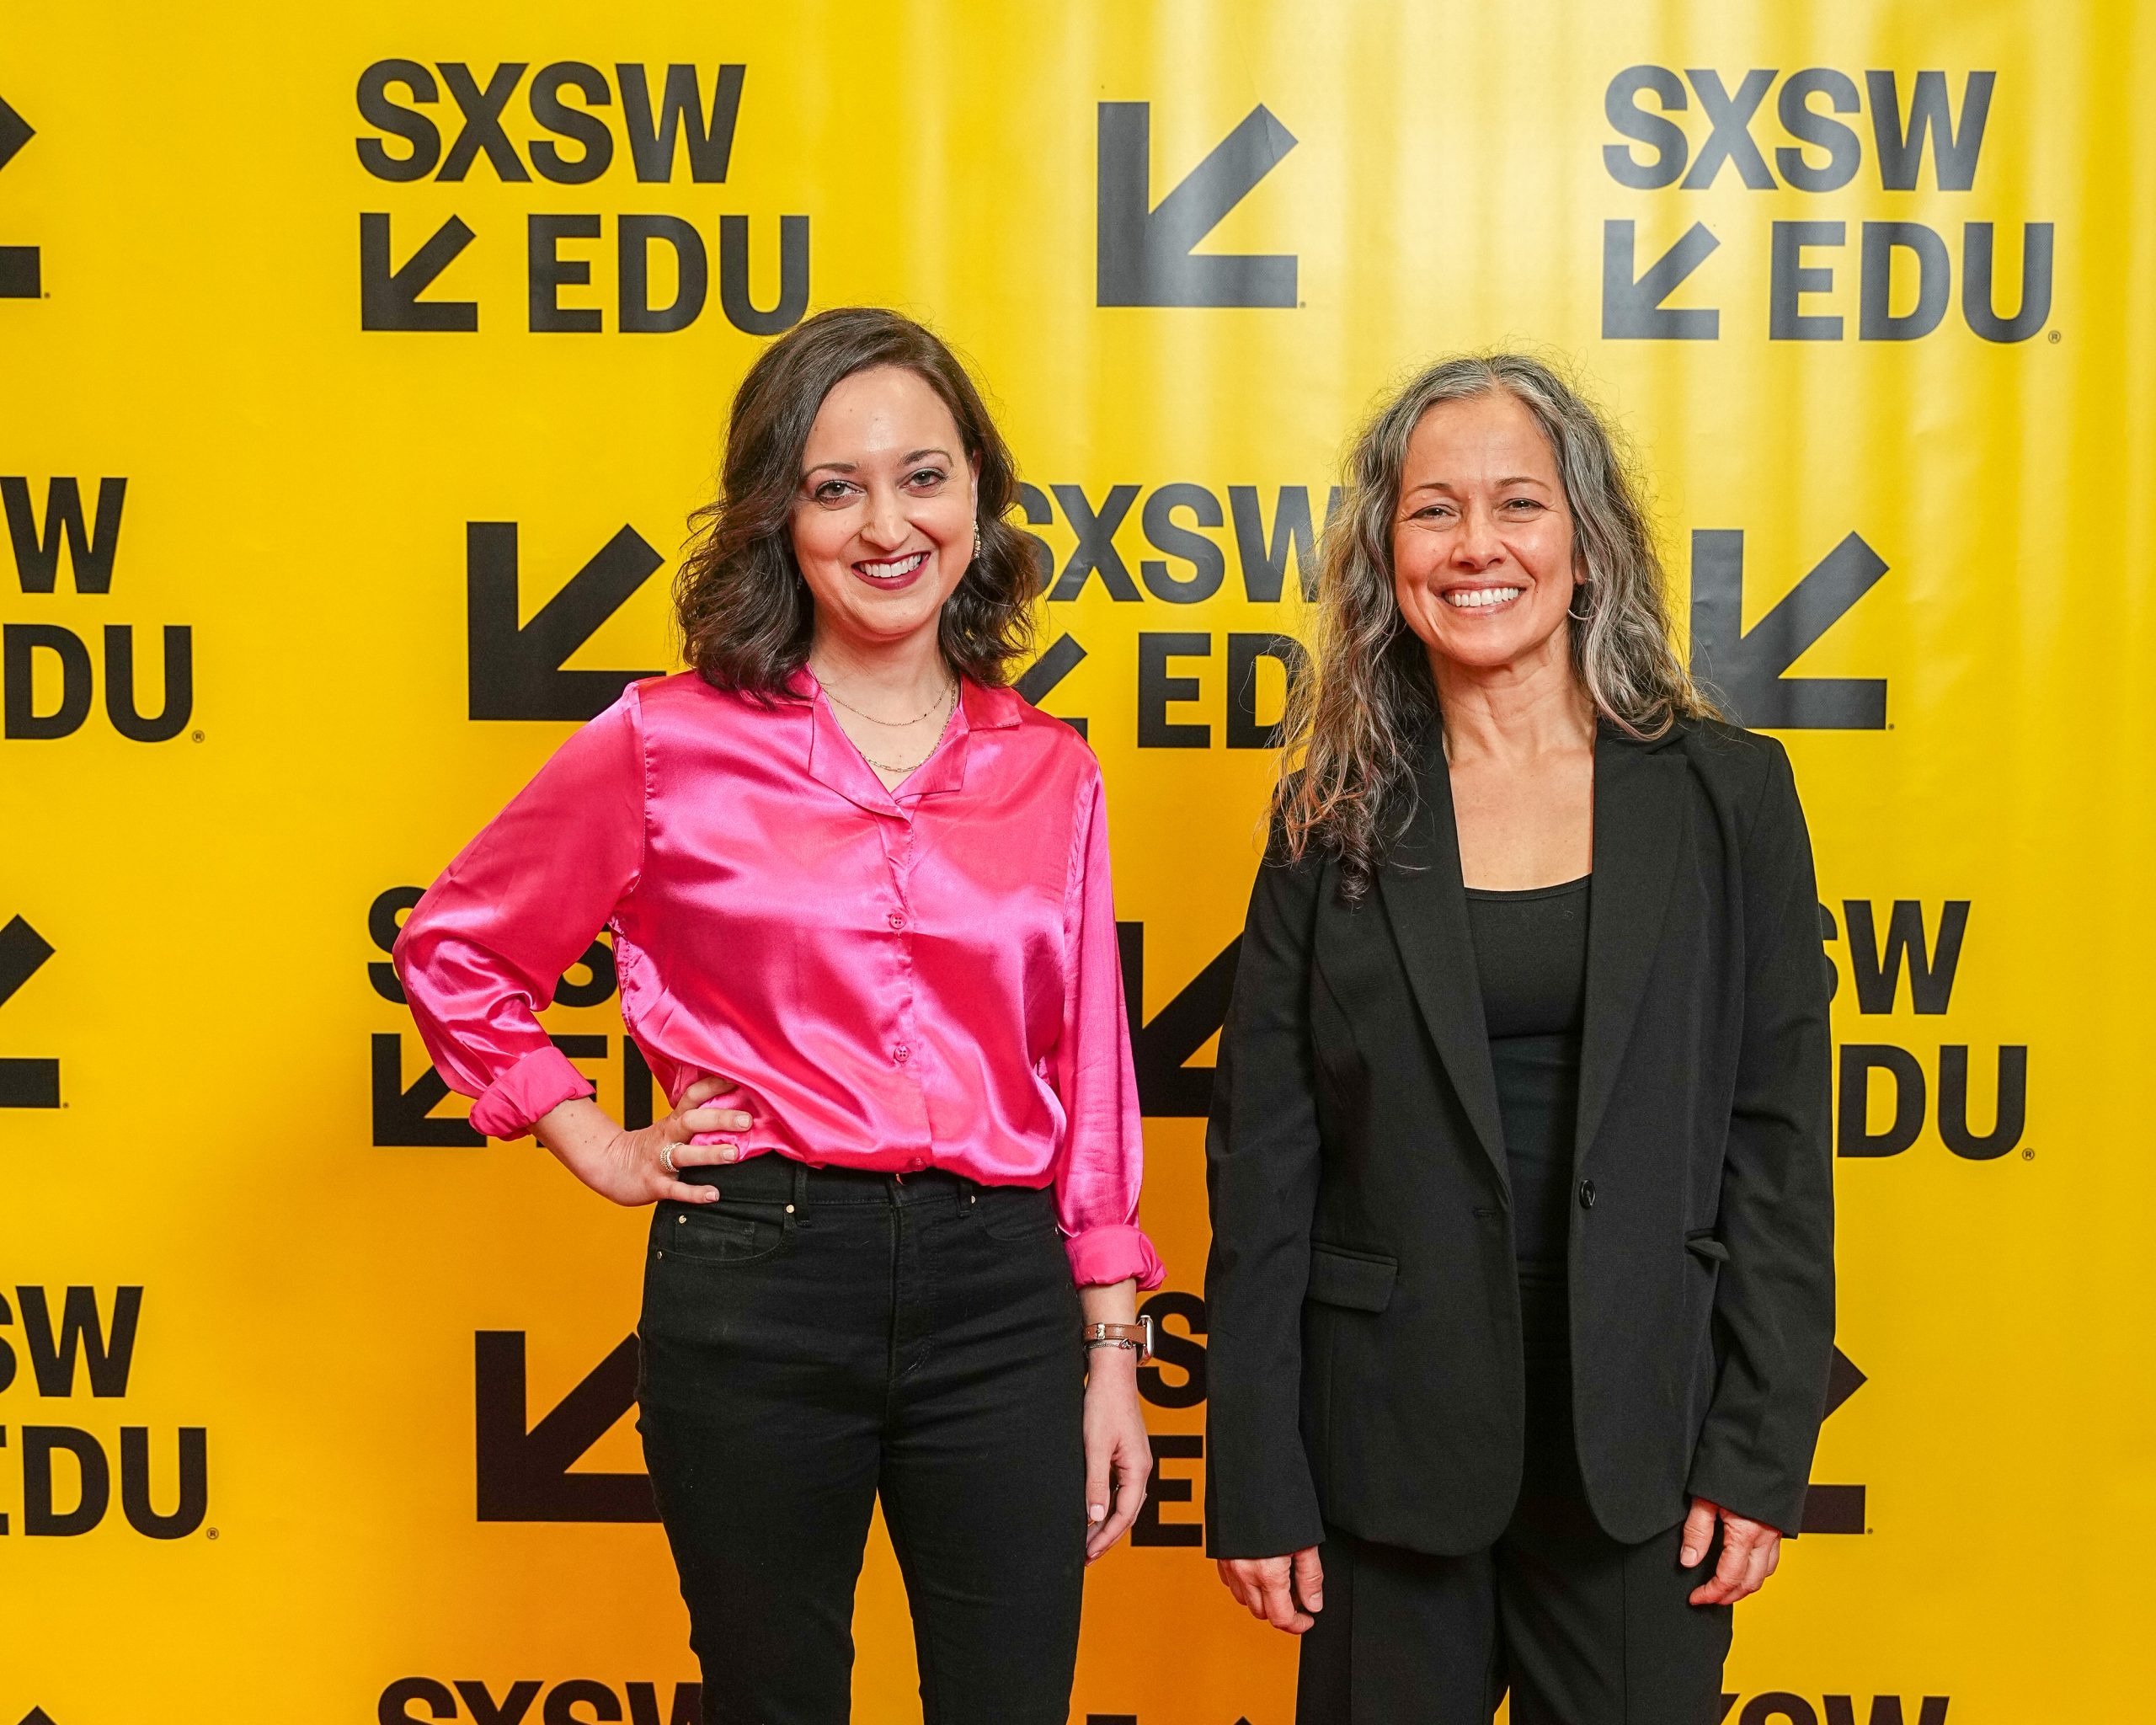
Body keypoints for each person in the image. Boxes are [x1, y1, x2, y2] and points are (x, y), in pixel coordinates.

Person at [394, 307, 1163, 1725]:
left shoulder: (1051, 769)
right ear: (779, 519)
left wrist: (1112, 1353)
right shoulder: (665, 740)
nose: (889, 526)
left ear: (977, 495)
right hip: (759, 1278)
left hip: (1000, 1296)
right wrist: (593, 1136)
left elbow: (1094, 1078)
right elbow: (456, 948)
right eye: (835, 488)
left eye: (924, 477)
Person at [1203, 353, 1834, 1722]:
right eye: (1434, 511)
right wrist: (1253, 1467)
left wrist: (1760, 1445)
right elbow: (1264, 1168)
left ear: (1586, 541)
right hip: (1384, 1447)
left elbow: (1780, 1142)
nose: (1476, 545)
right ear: (1388, 559)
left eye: (1519, 504)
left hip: (1648, 1453)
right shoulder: (1331, 815)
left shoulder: (1728, 797)